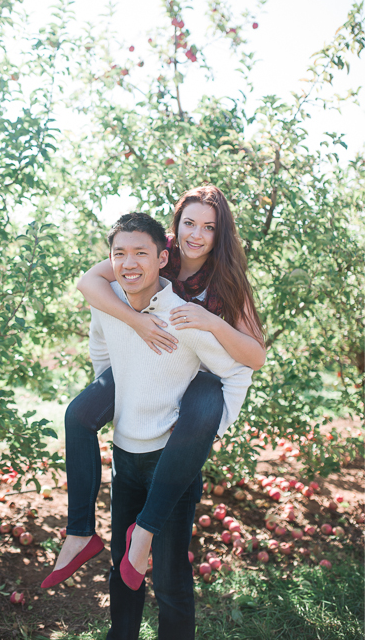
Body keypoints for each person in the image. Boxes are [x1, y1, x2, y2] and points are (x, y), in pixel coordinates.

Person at [42, 186, 265, 589]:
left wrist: (213, 321)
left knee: (202, 403)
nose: (195, 235)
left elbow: (255, 356)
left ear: (220, 235)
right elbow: (90, 282)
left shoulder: (227, 279)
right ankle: (79, 532)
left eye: (208, 228)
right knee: (76, 415)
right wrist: (135, 320)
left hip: (198, 375)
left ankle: (143, 534)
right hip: (138, 363)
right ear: (175, 227)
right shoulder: (150, 253)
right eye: (189, 223)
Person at [88, 212, 253, 638]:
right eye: (120, 254)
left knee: (171, 579)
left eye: (209, 227)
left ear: (162, 258)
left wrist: (209, 430)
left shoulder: (194, 307)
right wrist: (110, 392)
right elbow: (98, 324)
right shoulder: (118, 296)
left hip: (173, 455)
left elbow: (243, 366)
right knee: (122, 570)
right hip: (126, 457)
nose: (129, 263)